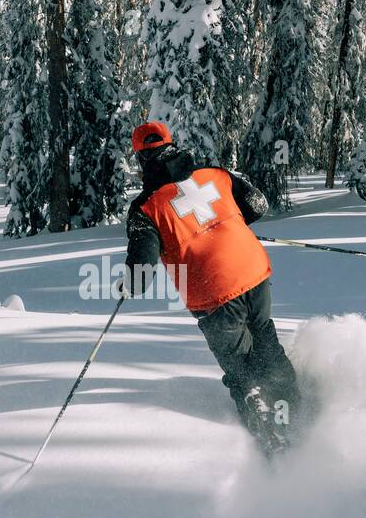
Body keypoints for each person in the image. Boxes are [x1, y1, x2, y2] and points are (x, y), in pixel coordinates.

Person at [117, 121, 301, 454]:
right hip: (253, 271)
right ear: (172, 145)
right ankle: (297, 415)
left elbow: (141, 272)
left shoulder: (145, 208)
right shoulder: (215, 174)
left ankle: (272, 443)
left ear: (141, 159)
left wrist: (128, 284)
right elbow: (258, 205)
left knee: (240, 367)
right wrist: (226, 220)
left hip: (212, 290)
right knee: (265, 342)